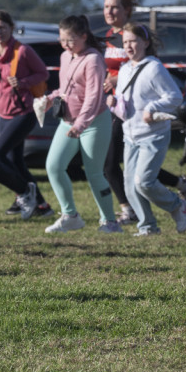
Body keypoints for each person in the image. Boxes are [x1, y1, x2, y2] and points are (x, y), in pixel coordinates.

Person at [100, 0, 186, 224]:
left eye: (114, 7)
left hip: (142, 112)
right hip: (121, 107)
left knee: (115, 165)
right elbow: (120, 68)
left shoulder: (134, 38)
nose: (109, 11)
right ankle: (174, 191)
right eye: (106, 7)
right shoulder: (109, 36)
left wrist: (118, 81)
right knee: (123, 168)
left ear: (127, 10)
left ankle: (133, 210)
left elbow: (142, 71)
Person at [42, 15, 120, 233]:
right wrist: (49, 99)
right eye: (62, 40)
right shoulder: (66, 56)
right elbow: (66, 90)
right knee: (54, 166)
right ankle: (70, 216)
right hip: (68, 121)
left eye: (71, 40)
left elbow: (94, 97)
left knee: (94, 172)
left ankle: (110, 222)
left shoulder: (93, 59)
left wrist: (81, 125)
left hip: (94, 122)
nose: (66, 45)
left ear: (84, 37)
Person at [112, 23, 186, 236]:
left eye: (134, 41)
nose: (129, 46)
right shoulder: (125, 68)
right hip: (130, 135)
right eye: (125, 42)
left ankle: (177, 206)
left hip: (153, 135)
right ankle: (148, 227)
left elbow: (175, 96)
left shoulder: (154, 68)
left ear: (146, 42)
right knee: (130, 187)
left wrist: (152, 108)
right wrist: (114, 101)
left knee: (144, 182)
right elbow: (124, 100)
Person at [0, 9, 52, 220]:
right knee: (16, 162)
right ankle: (41, 205)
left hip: (24, 112)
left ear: (11, 29)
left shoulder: (22, 51)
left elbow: (44, 73)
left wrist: (23, 82)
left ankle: (25, 192)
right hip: (3, 112)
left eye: (2, 28)